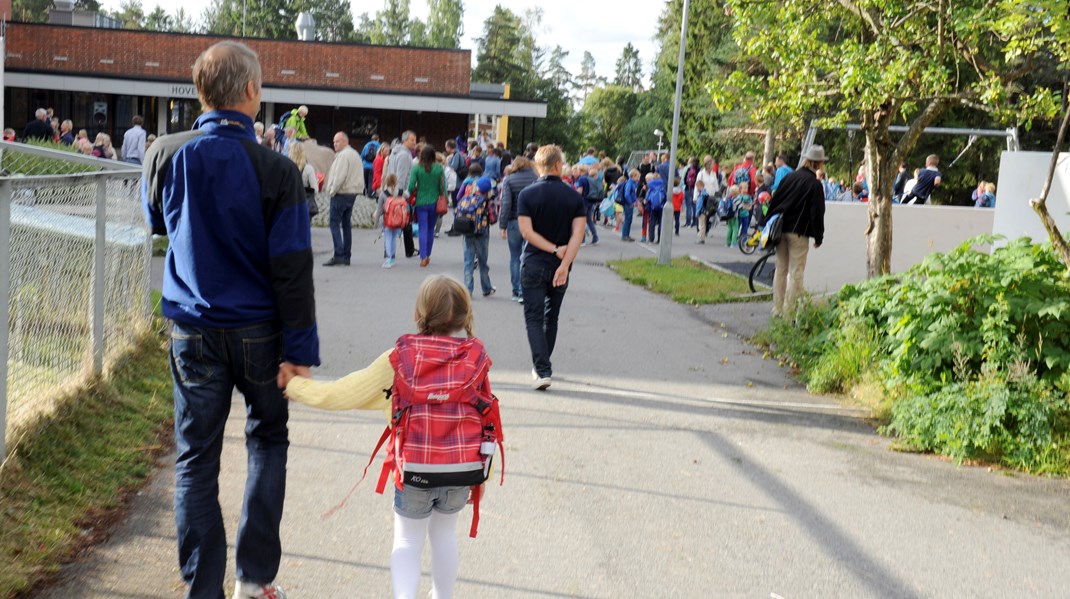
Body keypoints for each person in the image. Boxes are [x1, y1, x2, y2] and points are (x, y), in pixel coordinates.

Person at [142, 40, 318, 599]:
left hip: (193, 329)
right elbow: (292, 270)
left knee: (195, 457)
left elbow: (156, 224)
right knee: (267, 440)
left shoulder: (165, 155)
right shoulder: (277, 170)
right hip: (261, 333)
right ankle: (254, 578)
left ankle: (204, 588)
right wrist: (299, 352)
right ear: (249, 91)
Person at [284, 274, 499, 599]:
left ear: (419, 313)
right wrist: (483, 475)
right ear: (464, 317)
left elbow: (343, 393)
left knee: (407, 541)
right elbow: (488, 422)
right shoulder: (476, 360)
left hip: (414, 472)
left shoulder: (398, 360)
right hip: (461, 471)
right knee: (444, 536)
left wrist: (294, 386)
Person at [517, 145, 585, 390]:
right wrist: (564, 263)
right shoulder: (574, 197)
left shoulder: (527, 195)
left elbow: (526, 232)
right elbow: (578, 235)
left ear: (538, 166)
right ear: (558, 165)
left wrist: (553, 249)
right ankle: (541, 366)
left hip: (534, 263)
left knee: (534, 318)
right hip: (560, 267)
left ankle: (542, 369)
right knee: (551, 316)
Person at [766, 144, 827, 319]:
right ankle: (789, 312)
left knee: (780, 269)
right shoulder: (814, 185)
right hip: (798, 232)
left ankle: (777, 308)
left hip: (780, 229)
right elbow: (817, 213)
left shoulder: (789, 177)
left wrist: (768, 224)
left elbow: (775, 201)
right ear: (819, 163)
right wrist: (818, 236)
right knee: (796, 272)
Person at [499, 156, 538, 302]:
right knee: (529, 256)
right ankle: (526, 289)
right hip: (533, 222)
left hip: (515, 220)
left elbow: (506, 203)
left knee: (515, 256)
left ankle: (516, 291)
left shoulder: (509, 180)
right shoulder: (537, 178)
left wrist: (503, 224)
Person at [324, 131, 365, 266]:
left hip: (341, 193)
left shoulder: (343, 156)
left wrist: (332, 191)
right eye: (334, 141)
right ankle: (346, 255)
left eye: (338, 141)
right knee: (346, 224)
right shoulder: (355, 154)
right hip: (352, 193)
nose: (335, 144)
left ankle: (339, 254)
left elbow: (339, 177)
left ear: (345, 141)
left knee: (334, 224)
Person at [407, 144, 447, 267]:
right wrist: (444, 198)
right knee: (430, 229)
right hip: (435, 203)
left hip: (421, 202)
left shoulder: (416, 168)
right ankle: (428, 255)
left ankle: (423, 256)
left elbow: (411, 186)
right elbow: (443, 187)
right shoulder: (439, 168)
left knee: (422, 229)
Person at [457, 176, 496, 297]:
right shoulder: (486, 202)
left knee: (468, 262)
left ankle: (468, 290)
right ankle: (486, 287)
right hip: (481, 233)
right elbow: (493, 219)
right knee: (483, 262)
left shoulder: (467, 198)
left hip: (467, 232)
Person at [386, 131, 418, 258]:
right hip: (399, 192)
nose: (414, 142)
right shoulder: (404, 155)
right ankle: (406, 249)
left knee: (392, 221)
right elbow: (402, 176)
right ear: (404, 140)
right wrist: (404, 193)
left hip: (391, 190)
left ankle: (390, 250)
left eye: (415, 139)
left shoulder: (394, 152)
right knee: (403, 220)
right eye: (412, 140)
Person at [376, 173, 403, 268]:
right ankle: (393, 258)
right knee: (394, 238)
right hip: (397, 220)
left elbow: (379, 209)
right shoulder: (400, 192)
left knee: (388, 238)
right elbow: (407, 195)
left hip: (387, 220)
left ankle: (388, 258)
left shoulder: (383, 194)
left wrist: (376, 222)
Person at [288, 142, 319, 218]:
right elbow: (315, 189)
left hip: (289, 203)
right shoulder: (308, 169)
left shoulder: (286, 167)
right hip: (304, 204)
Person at [621, 169, 640, 242]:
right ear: (633, 176)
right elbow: (627, 194)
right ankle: (624, 235)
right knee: (627, 219)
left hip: (630, 203)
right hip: (628, 204)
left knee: (629, 219)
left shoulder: (633, 183)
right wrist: (631, 202)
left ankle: (627, 235)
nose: (638, 178)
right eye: (637, 176)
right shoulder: (629, 183)